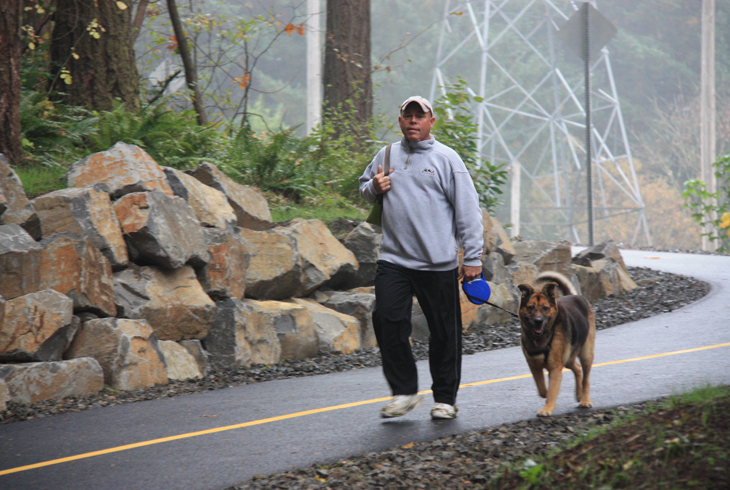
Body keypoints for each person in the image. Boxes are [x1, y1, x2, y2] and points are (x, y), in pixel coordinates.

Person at [359, 95, 484, 420]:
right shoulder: (386, 154)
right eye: (408, 115)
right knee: (387, 319)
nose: (413, 120)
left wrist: (473, 259)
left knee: (444, 332)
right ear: (400, 120)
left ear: (431, 121)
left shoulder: (447, 159)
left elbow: (468, 212)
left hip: (437, 263)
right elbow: (362, 188)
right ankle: (403, 392)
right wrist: (373, 186)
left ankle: (444, 398)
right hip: (394, 261)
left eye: (420, 115)